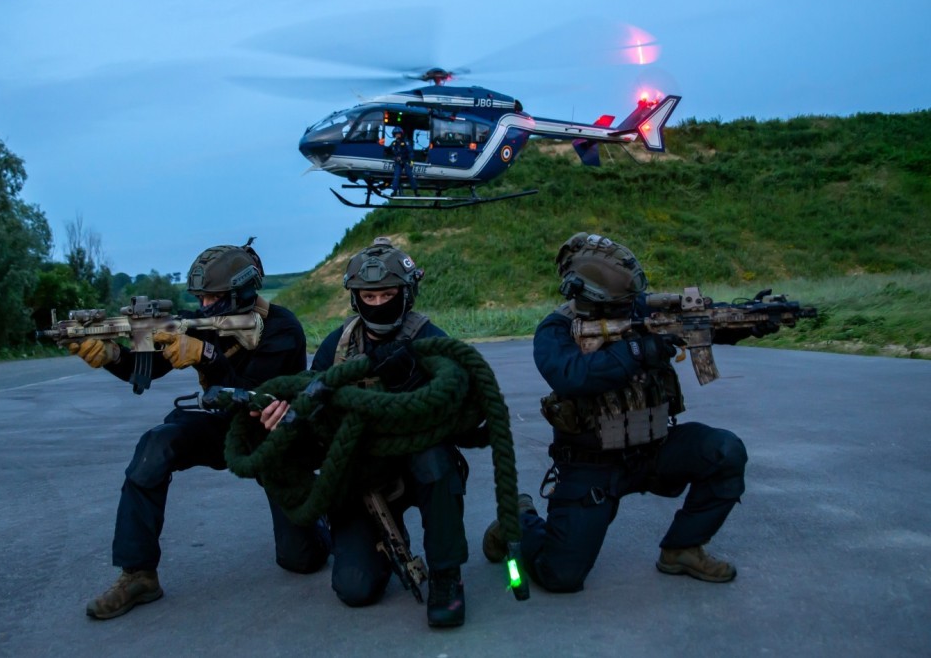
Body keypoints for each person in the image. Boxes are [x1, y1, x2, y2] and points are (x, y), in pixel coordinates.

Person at [483, 232, 751, 593]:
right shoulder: (556, 329)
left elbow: (699, 326)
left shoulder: (641, 308)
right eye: (621, 302)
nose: (632, 306)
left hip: (654, 447)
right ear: (590, 296)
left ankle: (682, 549)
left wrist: (737, 324)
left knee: (724, 451)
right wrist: (640, 351)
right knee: (561, 575)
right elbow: (572, 375)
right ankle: (518, 517)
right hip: (590, 463)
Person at [75, 241, 330, 620]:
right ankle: (138, 574)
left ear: (242, 292)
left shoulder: (282, 328)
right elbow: (141, 369)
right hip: (217, 424)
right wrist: (111, 356)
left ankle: (326, 517)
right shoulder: (197, 323)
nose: (205, 307)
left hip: (271, 433)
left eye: (214, 298)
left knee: (302, 559)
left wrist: (206, 357)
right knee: (154, 446)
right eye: (201, 298)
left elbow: (256, 396)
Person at [306, 236, 467, 627]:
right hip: (362, 476)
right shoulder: (338, 346)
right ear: (355, 298)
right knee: (355, 589)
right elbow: (313, 408)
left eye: (387, 294)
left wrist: (410, 385)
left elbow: (462, 410)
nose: (378, 304)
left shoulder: (431, 339)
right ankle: (359, 539)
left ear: (406, 293)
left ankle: (447, 576)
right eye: (368, 297)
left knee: (437, 462)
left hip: (416, 469)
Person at [389, 127, 420, 197]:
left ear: (401, 134)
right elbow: (391, 153)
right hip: (398, 163)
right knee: (396, 176)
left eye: (398, 134)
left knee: (410, 175)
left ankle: (416, 191)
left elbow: (410, 152)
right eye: (396, 134)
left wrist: (411, 161)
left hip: (406, 161)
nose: (397, 135)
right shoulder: (393, 144)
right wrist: (395, 158)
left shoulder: (406, 142)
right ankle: (394, 191)